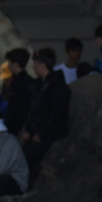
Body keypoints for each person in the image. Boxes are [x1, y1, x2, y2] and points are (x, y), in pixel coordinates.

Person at [21, 48, 71, 180]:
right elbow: (35, 110)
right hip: (37, 131)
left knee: (29, 157)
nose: (34, 67)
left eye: (36, 64)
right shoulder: (40, 85)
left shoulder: (57, 86)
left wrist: (42, 133)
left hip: (50, 133)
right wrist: (29, 129)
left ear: (42, 65)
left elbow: (56, 113)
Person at [2, 47, 33, 137]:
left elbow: (13, 108)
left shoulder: (17, 84)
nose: (8, 66)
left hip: (16, 129)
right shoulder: (29, 81)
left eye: (9, 63)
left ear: (15, 64)